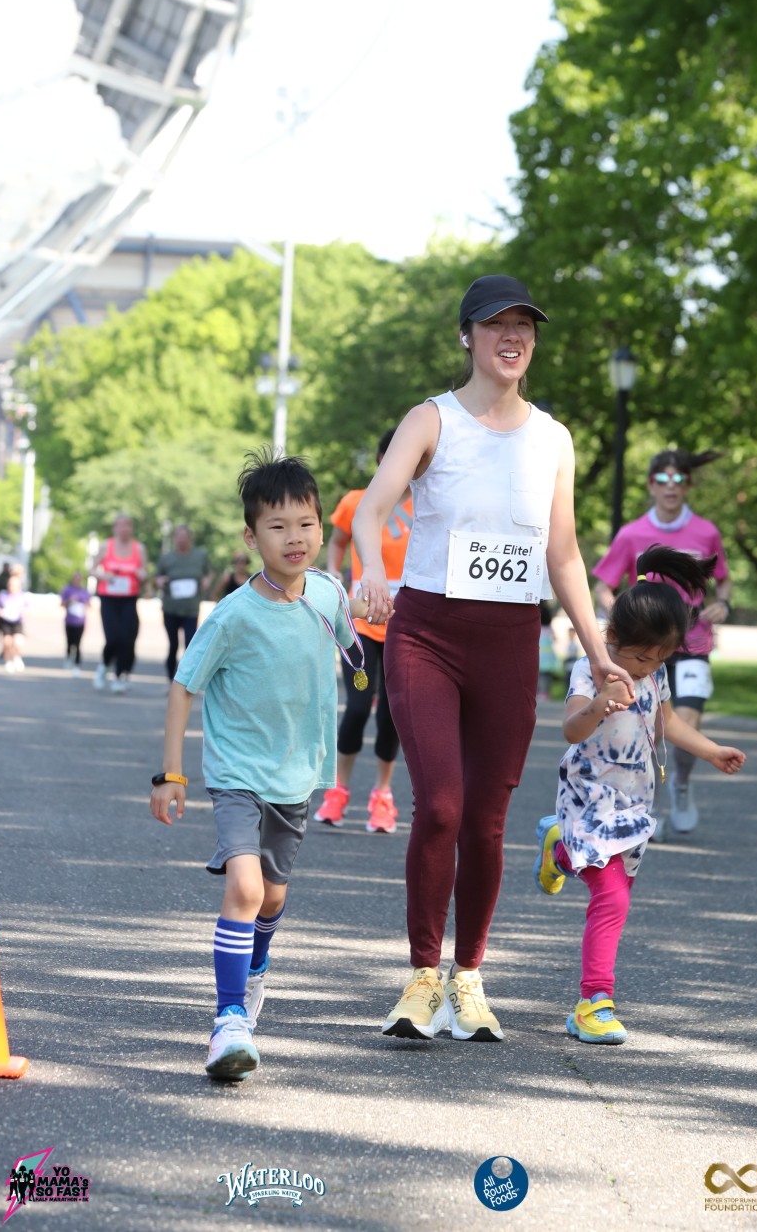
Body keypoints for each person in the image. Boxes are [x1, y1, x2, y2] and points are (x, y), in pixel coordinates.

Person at [352, 273, 634, 1044]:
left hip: (510, 642)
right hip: (427, 635)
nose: (512, 337)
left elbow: (563, 554)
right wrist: (372, 568)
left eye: (524, 326)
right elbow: (372, 509)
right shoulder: (431, 420)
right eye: (495, 324)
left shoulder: (553, 439)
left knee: (485, 819)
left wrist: (599, 654)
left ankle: (468, 978)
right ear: (466, 336)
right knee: (441, 803)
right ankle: (421, 977)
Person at [150, 448, 369, 1081]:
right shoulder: (233, 615)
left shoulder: (327, 594)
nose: (294, 537)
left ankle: (255, 970)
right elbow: (182, 688)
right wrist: (171, 775)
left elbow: (353, 638)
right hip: (237, 775)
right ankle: (227, 1021)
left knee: (271, 896)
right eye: (277, 526)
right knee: (245, 889)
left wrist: (379, 615)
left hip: (296, 775)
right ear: (252, 538)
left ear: (321, 529)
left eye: (305, 524)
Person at [534, 545, 746, 1045]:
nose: (648, 667)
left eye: (660, 658)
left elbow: (666, 722)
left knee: (611, 889)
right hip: (588, 797)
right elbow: (571, 729)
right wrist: (601, 704)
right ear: (611, 636)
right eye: (641, 657)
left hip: (632, 804)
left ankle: (560, 848)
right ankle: (594, 1002)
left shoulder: (655, 675)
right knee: (612, 898)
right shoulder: (590, 669)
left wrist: (712, 751)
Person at [593, 448, 731, 838]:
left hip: (693, 644)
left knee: (685, 721)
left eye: (679, 479)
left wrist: (723, 603)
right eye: (663, 479)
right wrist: (621, 612)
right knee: (651, 726)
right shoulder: (631, 534)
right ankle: (646, 802)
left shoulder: (706, 532)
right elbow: (603, 585)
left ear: (688, 485)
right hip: (645, 647)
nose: (671, 486)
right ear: (651, 485)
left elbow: (723, 580)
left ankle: (681, 784)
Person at [313, 428, 411, 835]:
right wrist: (335, 572)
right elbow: (337, 541)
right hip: (359, 626)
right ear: (381, 460)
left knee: (391, 715)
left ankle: (382, 796)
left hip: (405, 628)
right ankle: (338, 790)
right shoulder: (357, 501)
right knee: (356, 708)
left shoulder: (426, 507)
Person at [94, 513, 148, 693]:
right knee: (113, 637)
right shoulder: (105, 546)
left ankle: (120, 675)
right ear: (115, 528)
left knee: (128, 638)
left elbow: (145, 573)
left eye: (127, 525)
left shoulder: (139, 548)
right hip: (109, 598)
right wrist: (103, 575)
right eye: (120, 525)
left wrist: (142, 575)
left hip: (129, 599)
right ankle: (104, 665)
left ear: (131, 528)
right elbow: (92, 569)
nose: (124, 528)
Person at [154, 524, 214, 684]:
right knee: (173, 645)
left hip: (191, 609)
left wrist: (207, 580)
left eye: (184, 537)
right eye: (179, 537)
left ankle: (186, 681)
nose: (182, 540)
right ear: (175, 538)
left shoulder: (200, 556)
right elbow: (157, 577)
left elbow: (209, 572)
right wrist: (159, 581)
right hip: (170, 608)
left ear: (190, 538)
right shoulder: (166, 558)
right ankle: (170, 680)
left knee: (190, 645)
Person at [0, 565, 28, 673]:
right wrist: (0, 612)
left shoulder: (21, 595)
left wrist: (22, 612)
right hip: (6, 621)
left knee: (18, 641)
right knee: (7, 642)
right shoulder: (3, 594)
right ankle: (8, 660)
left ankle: (17, 657)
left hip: (17, 621)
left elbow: (26, 607)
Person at [60, 569, 91, 676]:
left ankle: (77, 665)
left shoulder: (84, 591)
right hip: (70, 621)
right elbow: (62, 604)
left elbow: (89, 605)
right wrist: (70, 601)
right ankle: (69, 657)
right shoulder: (67, 589)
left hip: (80, 621)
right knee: (70, 642)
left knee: (78, 643)